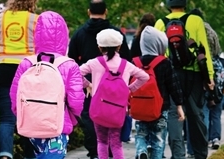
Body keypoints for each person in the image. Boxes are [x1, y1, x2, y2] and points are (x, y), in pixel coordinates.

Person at [10, 11, 85, 159]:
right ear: (64, 35)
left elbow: (15, 95)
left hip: (32, 124)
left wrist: (21, 115)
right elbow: (76, 100)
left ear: (37, 34)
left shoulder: (27, 63)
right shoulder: (69, 65)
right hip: (58, 125)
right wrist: (73, 117)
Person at [68, 0, 130, 158]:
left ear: (89, 12)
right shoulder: (116, 34)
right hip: (115, 84)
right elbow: (128, 59)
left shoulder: (79, 33)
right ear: (106, 12)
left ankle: (95, 149)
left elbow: (72, 61)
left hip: (90, 84)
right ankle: (111, 148)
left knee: (90, 114)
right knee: (114, 112)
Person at [154, 0, 214, 159]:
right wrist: (209, 77)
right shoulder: (196, 20)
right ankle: (200, 154)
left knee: (174, 116)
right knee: (196, 115)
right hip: (193, 75)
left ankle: (178, 155)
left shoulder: (160, 23)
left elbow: (156, 53)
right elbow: (204, 50)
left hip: (170, 74)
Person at [79, 28, 149, 159]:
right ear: (119, 46)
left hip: (98, 109)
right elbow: (144, 77)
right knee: (116, 143)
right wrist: (129, 88)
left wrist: (88, 84)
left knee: (101, 141)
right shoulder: (126, 65)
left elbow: (76, 73)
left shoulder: (95, 63)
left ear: (99, 46)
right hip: (118, 110)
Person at [0, 0, 38, 158]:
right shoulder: (35, 20)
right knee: (29, 119)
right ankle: (30, 156)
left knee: (7, 119)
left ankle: (5, 155)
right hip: (28, 71)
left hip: (3, 70)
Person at [133, 26, 185, 159]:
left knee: (140, 135)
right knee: (158, 140)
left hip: (139, 108)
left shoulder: (135, 62)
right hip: (161, 108)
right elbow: (174, 85)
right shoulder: (164, 62)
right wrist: (179, 105)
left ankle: (141, 152)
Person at [186, 8, 223, 154]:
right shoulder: (211, 31)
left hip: (198, 71)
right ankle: (215, 138)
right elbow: (217, 50)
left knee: (202, 111)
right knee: (216, 108)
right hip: (215, 68)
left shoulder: (191, 30)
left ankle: (203, 139)